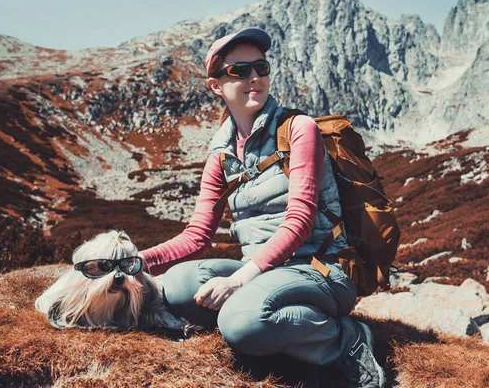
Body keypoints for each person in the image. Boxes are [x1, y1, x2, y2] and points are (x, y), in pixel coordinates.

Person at [140, 27, 385, 387]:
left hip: (323, 269)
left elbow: (299, 221)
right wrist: (136, 261)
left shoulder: (299, 129)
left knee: (240, 322)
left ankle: (346, 339)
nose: (255, 77)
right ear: (216, 85)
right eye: (240, 71)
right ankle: (279, 327)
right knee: (176, 285)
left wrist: (238, 280)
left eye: (261, 67)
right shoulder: (221, 154)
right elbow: (196, 236)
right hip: (266, 273)